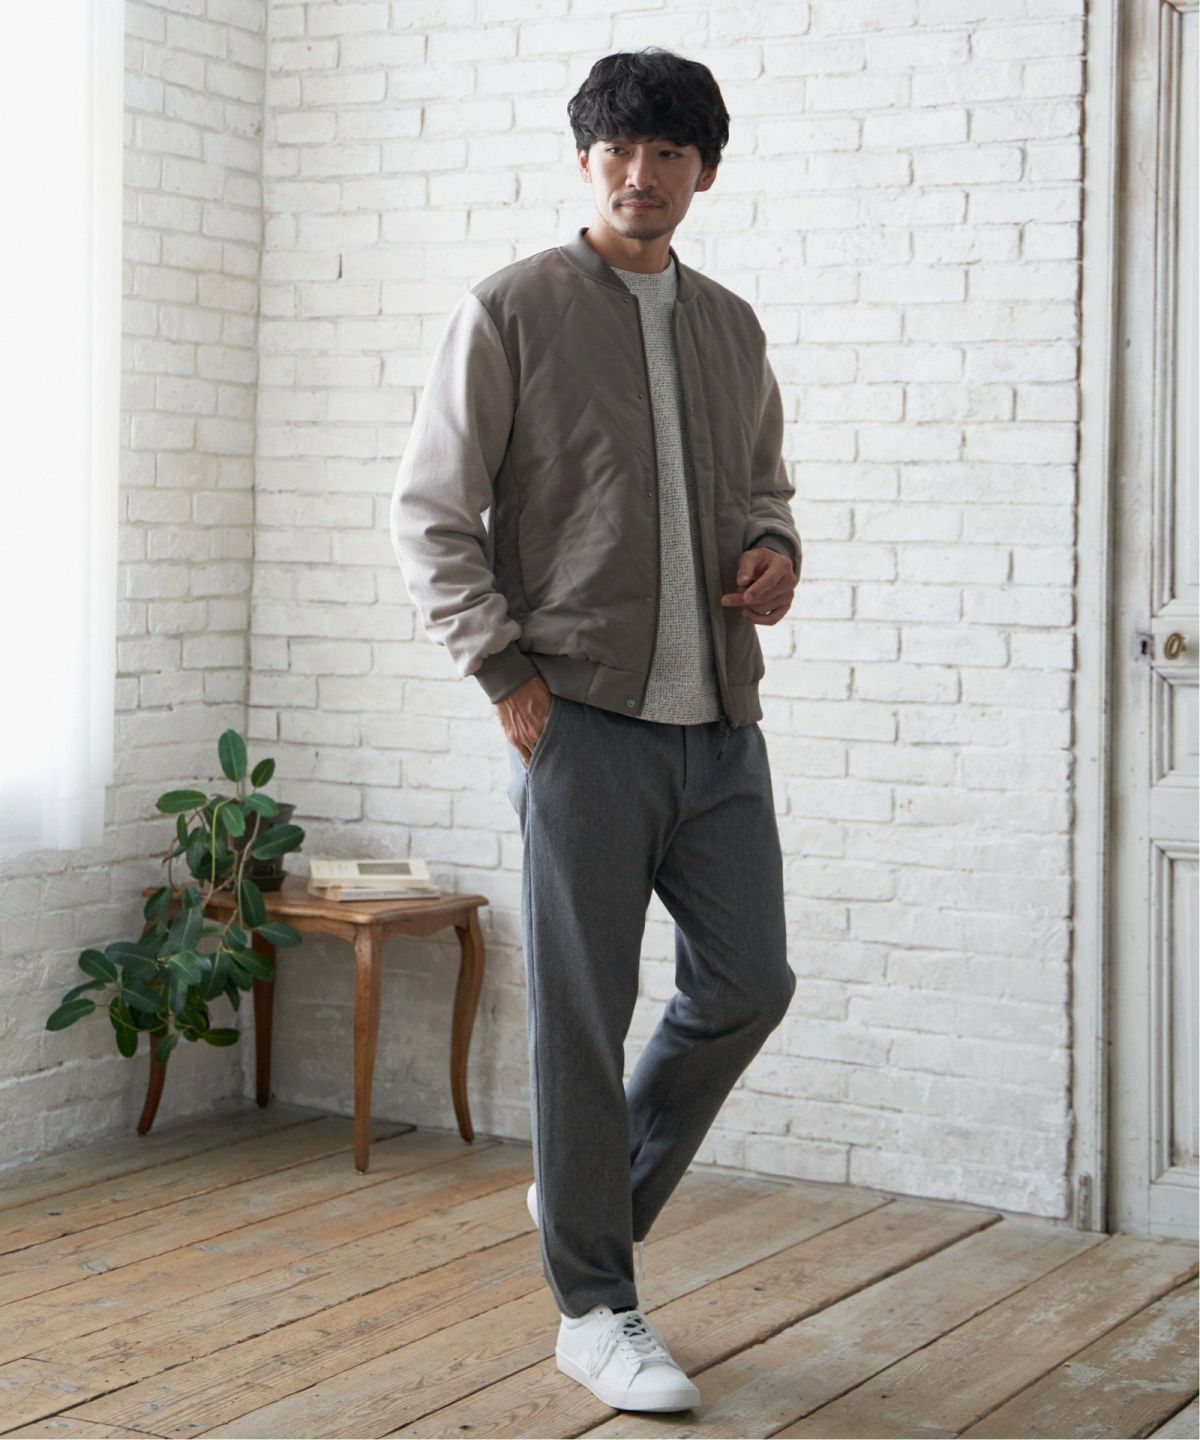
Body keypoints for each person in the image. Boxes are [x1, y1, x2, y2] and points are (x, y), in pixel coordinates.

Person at [390, 46, 801, 1415]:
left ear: (704, 172)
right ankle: (593, 1308)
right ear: (585, 162)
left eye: (670, 152)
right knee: (582, 1016)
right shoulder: (511, 310)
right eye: (619, 150)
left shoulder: (730, 326)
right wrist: (502, 671)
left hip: (718, 724)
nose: (643, 174)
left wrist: (774, 554)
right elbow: (432, 514)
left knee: (748, 983)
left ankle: (585, 1199)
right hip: (581, 723)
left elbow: (766, 490)